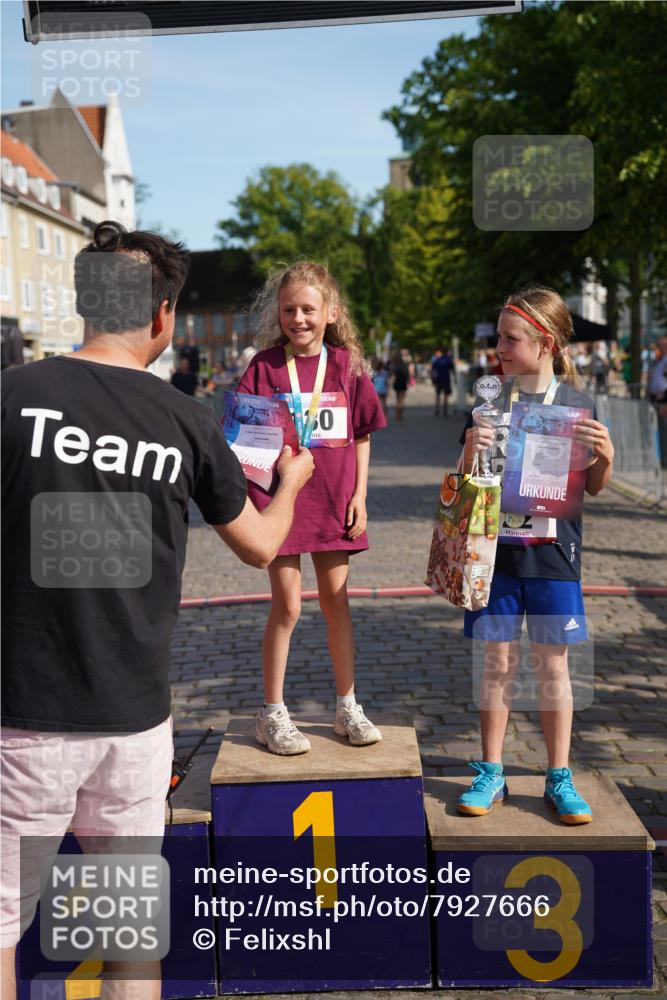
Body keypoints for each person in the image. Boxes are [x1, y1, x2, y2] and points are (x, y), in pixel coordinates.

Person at [0, 221, 313, 999]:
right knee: (126, 938)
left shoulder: (11, 397)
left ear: (83, 302)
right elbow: (261, 546)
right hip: (132, 723)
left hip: (20, 718)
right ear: (164, 315)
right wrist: (292, 483)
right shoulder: (185, 420)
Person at [458, 285, 614, 825]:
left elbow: (591, 487)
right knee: (497, 662)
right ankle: (491, 770)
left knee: (553, 665)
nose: (499, 347)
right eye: (499, 337)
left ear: (544, 343)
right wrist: (468, 449)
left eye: (510, 338)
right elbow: (464, 481)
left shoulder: (577, 405)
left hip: (553, 557)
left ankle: (559, 774)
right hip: (494, 555)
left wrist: (606, 456)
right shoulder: (488, 402)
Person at [237, 261, 387, 755]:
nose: (298, 319)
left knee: (335, 600)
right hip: (279, 503)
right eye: (289, 310)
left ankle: (347, 706)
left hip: (332, 500)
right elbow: (243, 436)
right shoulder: (263, 367)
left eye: (307, 309)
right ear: (277, 314)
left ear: (331, 312)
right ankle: (272, 713)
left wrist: (360, 494)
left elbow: (361, 434)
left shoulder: (347, 366)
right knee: (287, 605)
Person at [431, 346, 455, 416]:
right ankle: (445, 410)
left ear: (441, 352)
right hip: (446, 379)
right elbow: (452, 370)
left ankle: (437, 410)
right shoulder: (448, 360)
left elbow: (433, 371)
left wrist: (433, 380)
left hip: (438, 379)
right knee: (446, 395)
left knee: (438, 395)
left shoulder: (437, 360)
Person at [391, 350, 409, 422]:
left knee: (397, 399)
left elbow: (393, 375)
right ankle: (401, 414)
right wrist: (407, 381)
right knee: (402, 399)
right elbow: (407, 375)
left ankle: (397, 415)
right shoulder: (404, 365)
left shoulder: (395, 365)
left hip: (397, 383)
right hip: (403, 383)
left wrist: (391, 383)